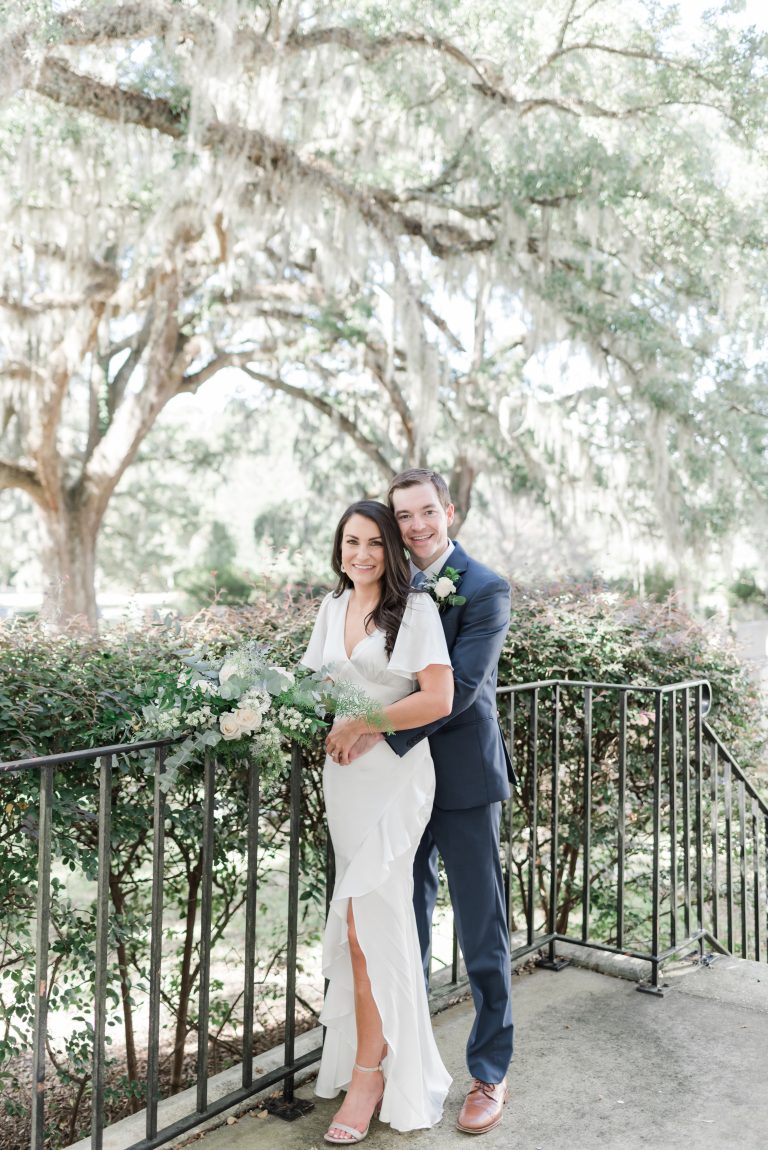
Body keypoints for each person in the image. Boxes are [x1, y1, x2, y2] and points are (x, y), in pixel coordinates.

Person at [349, 469, 514, 1136]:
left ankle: (489, 1071)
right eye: (404, 516)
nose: (416, 526)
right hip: (392, 787)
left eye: (426, 512)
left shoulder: (485, 588)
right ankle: (400, 1063)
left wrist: (372, 729)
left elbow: (463, 688)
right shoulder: (382, 587)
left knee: (482, 932)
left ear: (448, 511)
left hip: (462, 783)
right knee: (401, 927)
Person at [301, 499, 455, 1144]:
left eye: (371, 543)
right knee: (361, 930)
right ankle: (372, 1060)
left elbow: (438, 697)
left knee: (375, 930)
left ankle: (374, 1074)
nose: (359, 554)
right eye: (349, 542)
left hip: (394, 779)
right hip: (345, 782)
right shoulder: (331, 609)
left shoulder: (415, 610)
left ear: (391, 550)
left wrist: (367, 723)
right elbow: (314, 688)